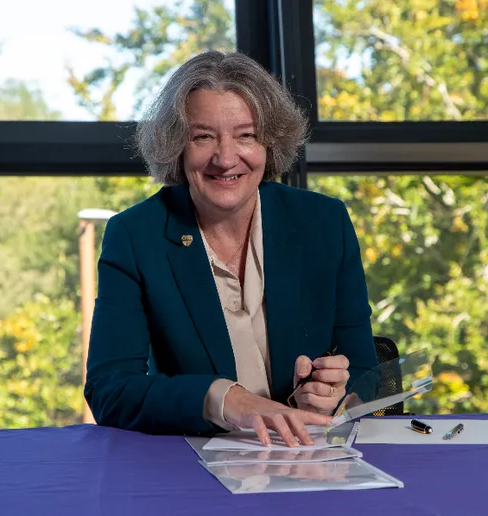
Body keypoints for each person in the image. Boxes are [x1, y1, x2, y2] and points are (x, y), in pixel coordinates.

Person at [85, 50, 378, 447]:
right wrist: (223, 399)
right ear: (178, 146)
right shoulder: (136, 235)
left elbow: (364, 372)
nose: (225, 158)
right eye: (203, 136)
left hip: (312, 458)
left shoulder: (324, 224)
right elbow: (110, 391)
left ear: (270, 142)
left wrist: (335, 394)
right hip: (193, 469)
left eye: (246, 135)